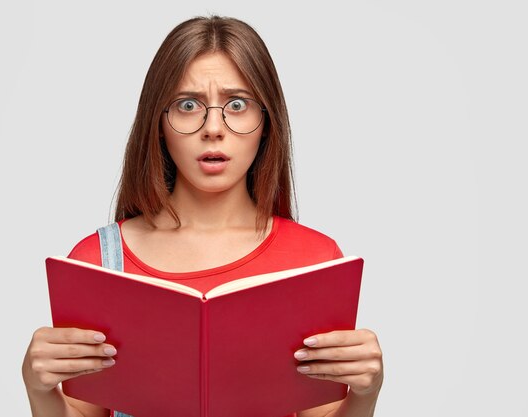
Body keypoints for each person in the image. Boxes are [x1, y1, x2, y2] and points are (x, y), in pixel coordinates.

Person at [22, 15, 383, 417]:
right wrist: (41, 392)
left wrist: (364, 396)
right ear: (158, 123)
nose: (214, 128)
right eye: (188, 105)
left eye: (237, 104)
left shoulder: (314, 260)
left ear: (266, 122)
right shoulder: (100, 262)